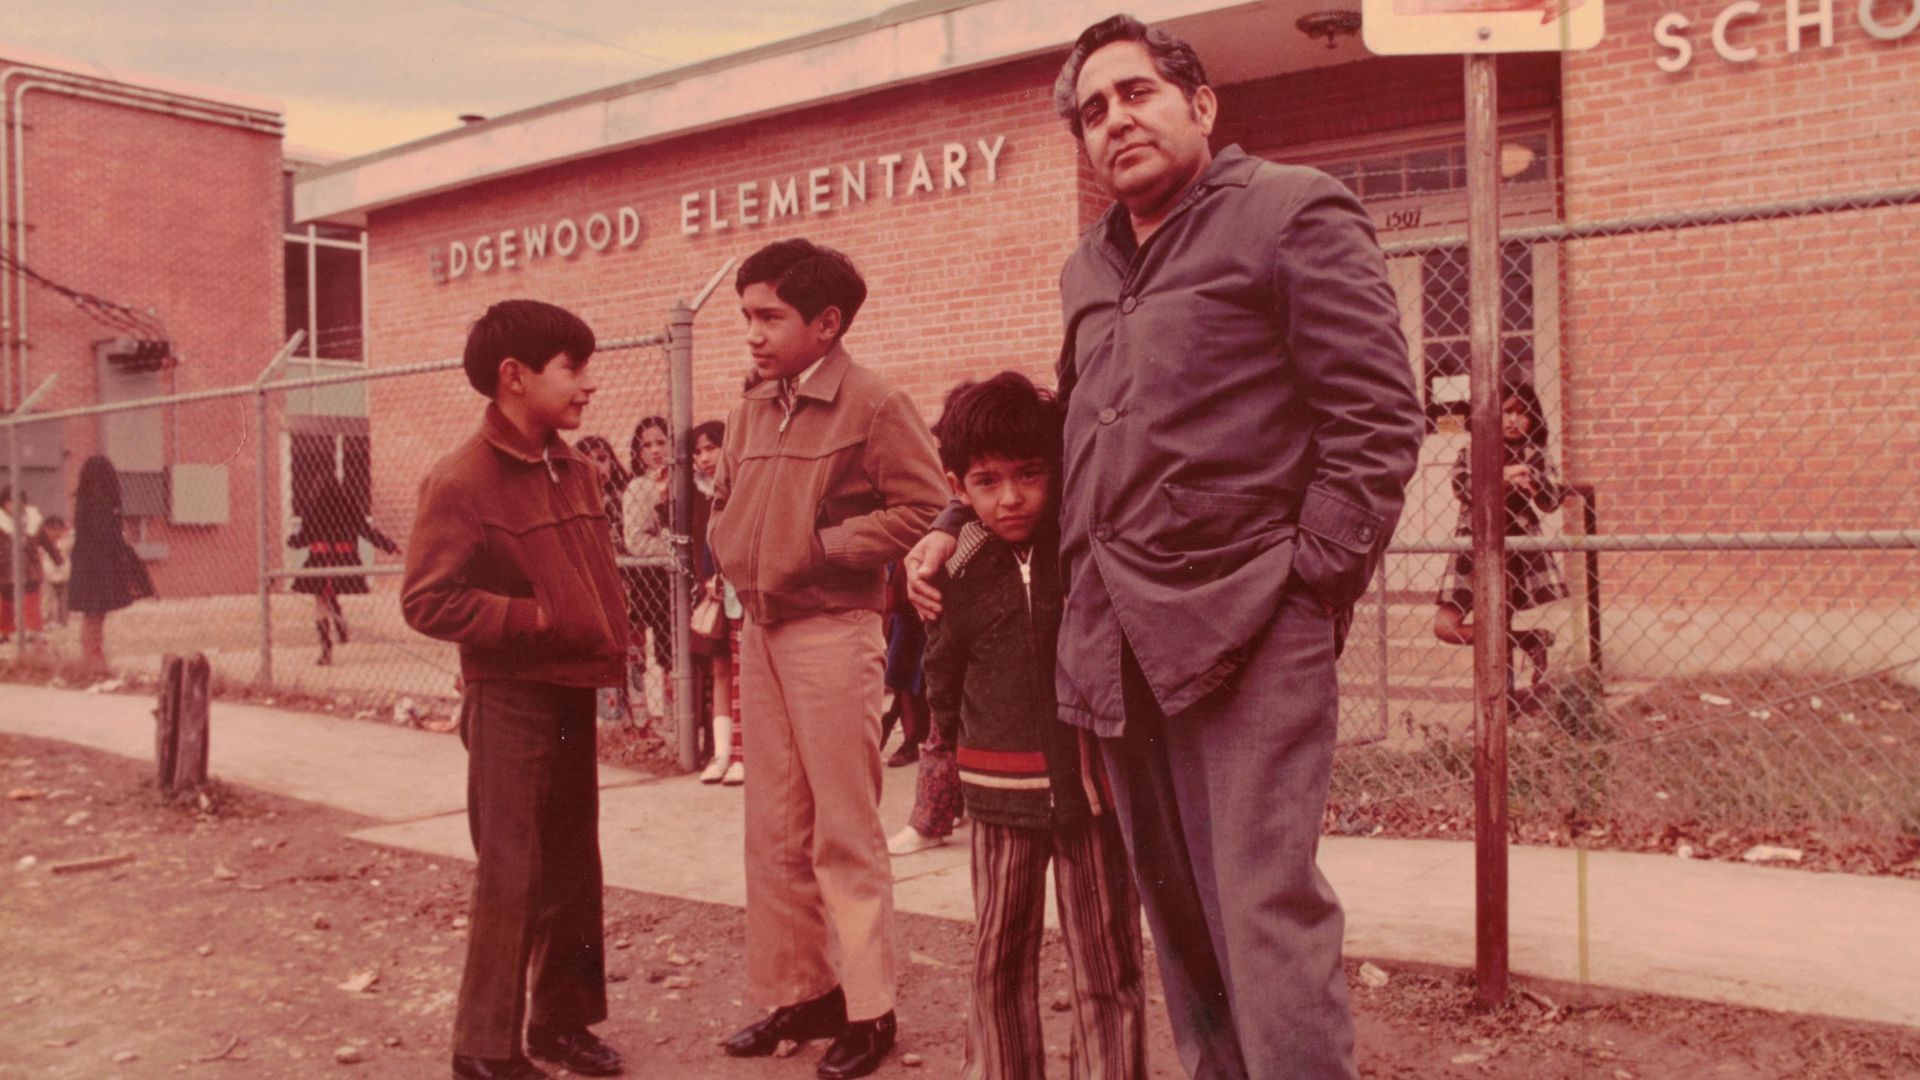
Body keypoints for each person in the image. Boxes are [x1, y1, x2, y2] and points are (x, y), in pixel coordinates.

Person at [907, 17, 1424, 1079]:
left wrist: (1309, 586)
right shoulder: (1088, 268)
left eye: (1135, 93)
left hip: (1249, 627)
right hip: (1117, 639)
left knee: (1262, 909)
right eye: (1092, 111)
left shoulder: (1291, 211)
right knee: (1179, 920)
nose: (1115, 121)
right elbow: (1064, 439)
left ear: (1201, 105)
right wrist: (958, 519)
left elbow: (1376, 420)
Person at [708, 238, 947, 1080]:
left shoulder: (875, 404)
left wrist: (824, 543)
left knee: (844, 830)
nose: (753, 332)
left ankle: (869, 1009)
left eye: (769, 315)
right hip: (760, 634)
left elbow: (930, 507)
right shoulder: (750, 408)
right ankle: (799, 993)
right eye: (746, 315)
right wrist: (733, 548)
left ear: (827, 322)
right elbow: (731, 502)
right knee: (773, 827)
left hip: (831, 633)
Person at [401, 299, 629, 1080]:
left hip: (571, 689)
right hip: (508, 697)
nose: (588, 384)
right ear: (514, 377)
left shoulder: (577, 467)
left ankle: (560, 1024)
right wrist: (533, 617)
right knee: (511, 872)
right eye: (573, 367)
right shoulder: (461, 479)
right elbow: (427, 600)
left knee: (573, 863)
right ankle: (484, 1049)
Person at [923, 371, 1146, 1080]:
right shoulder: (955, 563)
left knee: (1106, 963)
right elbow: (941, 672)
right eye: (986, 482)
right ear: (958, 486)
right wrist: (944, 760)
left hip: (1092, 794)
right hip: (997, 793)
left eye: (1029, 474)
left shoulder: (1085, 545)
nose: (1011, 497)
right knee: (997, 957)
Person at [1432, 380, 1567, 702]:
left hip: (1513, 552)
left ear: (1533, 418)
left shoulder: (1535, 454)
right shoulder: (1473, 450)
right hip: (1472, 546)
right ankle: (1529, 640)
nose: (1513, 420)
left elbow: (1550, 501)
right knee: (1445, 627)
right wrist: (1506, 476)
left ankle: (1499, 701)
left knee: (1497, 617)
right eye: (1506, 412)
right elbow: (1465, 490)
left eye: (1522, 413)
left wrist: (1530, 476)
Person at [286, 473, 401, 666]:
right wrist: (390, 546)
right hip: (343, 559)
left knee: (321, 601)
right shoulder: (348, 507)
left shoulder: (313, 509)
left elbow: (304, 537)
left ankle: (326, 649)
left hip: (319, 560)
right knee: (331, 593)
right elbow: (366, 532)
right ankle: (339, 622)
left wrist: (292, 541)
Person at [689, 419, 745, 786]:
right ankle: (722, 753)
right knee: (721, 669)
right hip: (717, 593)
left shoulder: (741, 486)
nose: (704, 458)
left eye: (711, 448)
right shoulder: (698, 495)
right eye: (697, 452)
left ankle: (744, 753)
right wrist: (707, 579)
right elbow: (701, 545)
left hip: (742, 592)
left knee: (745, 673)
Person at [66, 457, 154, 673]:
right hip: (100, 565)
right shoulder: (101, 502)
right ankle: (92, 658)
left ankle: (92, 656)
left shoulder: (84, 500)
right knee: (95, 614)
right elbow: (106, 535)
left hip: (87, 564)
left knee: (93, 613)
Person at [574, 434, 636, 723]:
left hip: (627, 588)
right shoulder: (573, 503)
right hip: (590, 592)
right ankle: (608, 718)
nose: (597, 466)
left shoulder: (623, 498)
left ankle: (637, 719)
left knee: (633, 652)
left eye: (602, 458)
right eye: (588, 460)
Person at [620, 415, 675, 727]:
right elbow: (636, 541)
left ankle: (680, 719)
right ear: (638, 453)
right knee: (662, 654)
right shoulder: (639, 487)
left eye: (661, 442)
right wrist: (675, 550)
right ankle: (661, 721)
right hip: (655, 581)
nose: (655, 450)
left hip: (686, 578)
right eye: (647, 445)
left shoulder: (688, 477)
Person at [0, 487, 60, 644]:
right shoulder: (1, 523)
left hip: (30, 568)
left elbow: (46, 542)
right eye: (10, 502)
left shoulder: (33, 521)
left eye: (18, 502)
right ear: (4, 504)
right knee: (7, 602)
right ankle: (5, 631)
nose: (14, 505)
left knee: (31, 601)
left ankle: (34, 631)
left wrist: (58, 559)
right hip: (5, 569)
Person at [40, 515, 71, 628]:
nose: (55, 533)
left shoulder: (66, 543)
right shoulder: (43, 545)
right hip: (48, 575)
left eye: (58, 529)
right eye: (51, 530)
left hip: (64, 574)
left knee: (63, 599)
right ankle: (47, 618)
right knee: (48, 598)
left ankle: (62, 619)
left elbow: (73, 536)